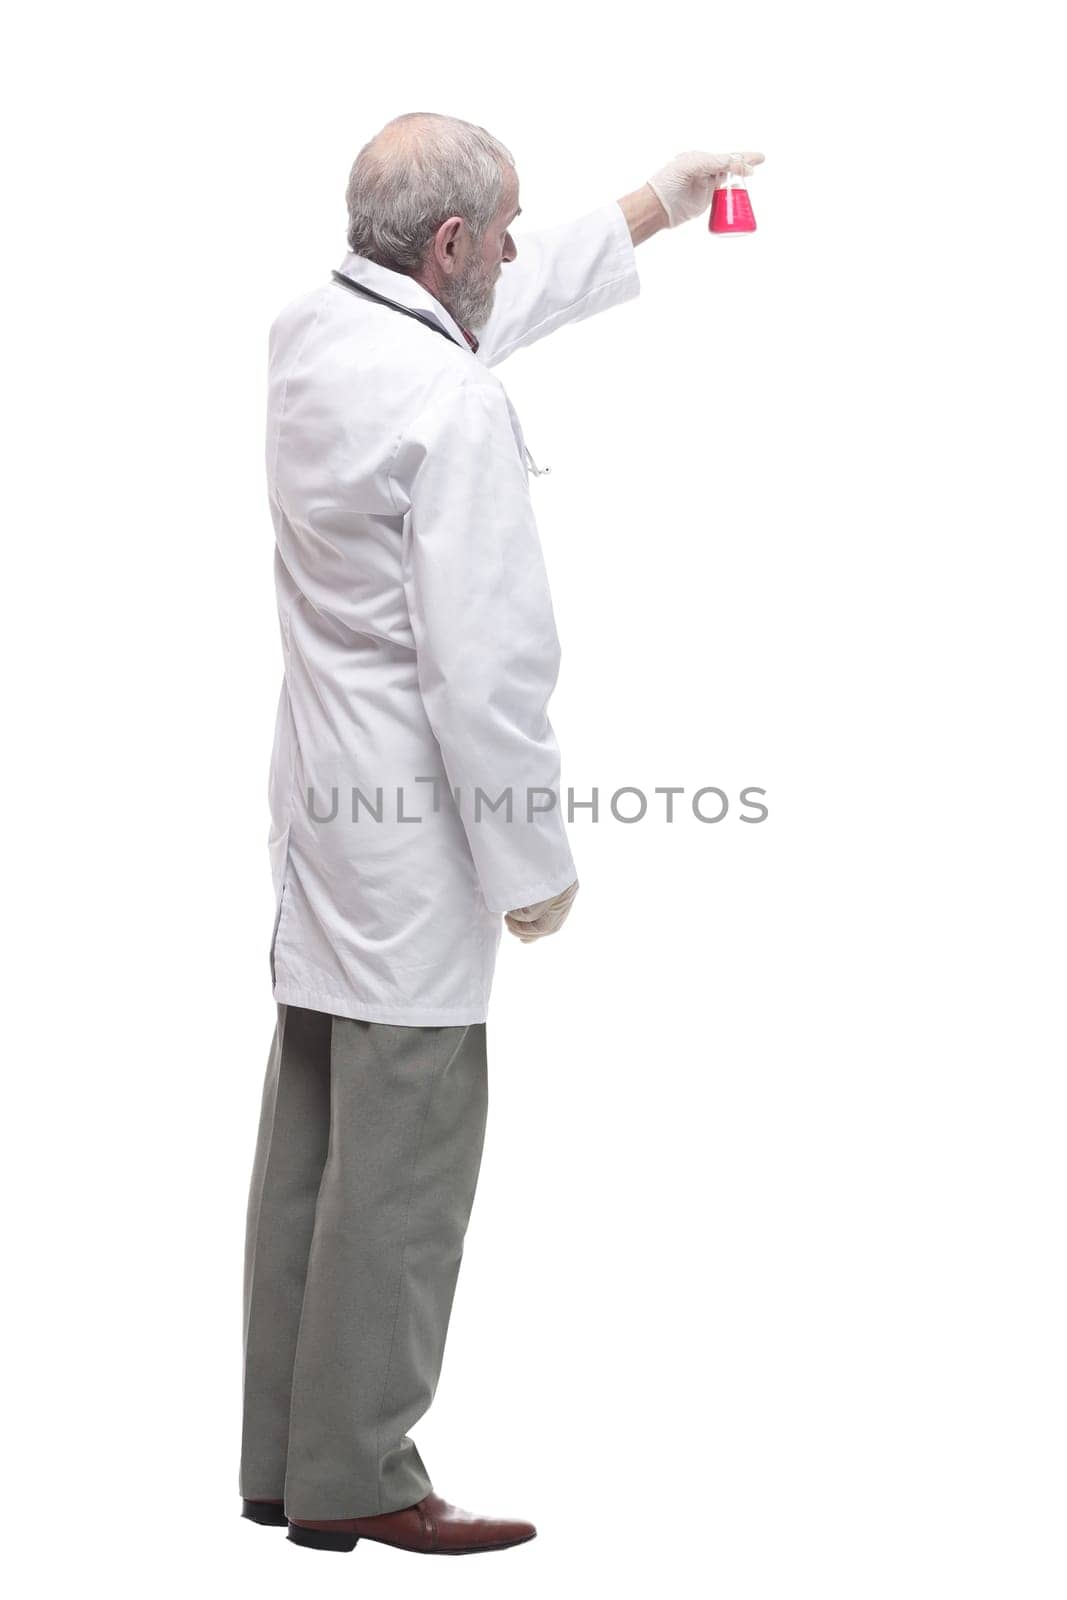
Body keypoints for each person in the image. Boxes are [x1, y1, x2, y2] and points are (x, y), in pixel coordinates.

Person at [239, 111, 764, 1557]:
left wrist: (655, 206)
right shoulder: (451, 404)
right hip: (413, 837)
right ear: (453, 245)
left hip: (321, 814)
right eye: (507, 229)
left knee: (314, 1143)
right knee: (403, 1173)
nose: (517, 251)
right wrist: (535, 871)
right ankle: (362, 1471)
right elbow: (490, 673)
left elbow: (460, 330)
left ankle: (289, 1463)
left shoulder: (312, 329)